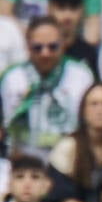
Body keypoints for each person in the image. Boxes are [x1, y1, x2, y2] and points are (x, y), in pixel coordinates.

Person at [1, 16, 94, 155]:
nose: (45, 53)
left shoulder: (81, 75)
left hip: (68, 159)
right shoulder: (12, 77)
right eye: (37, 48)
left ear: (63, 44)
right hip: (20, 160)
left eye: (52, 47)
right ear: (27, 46)